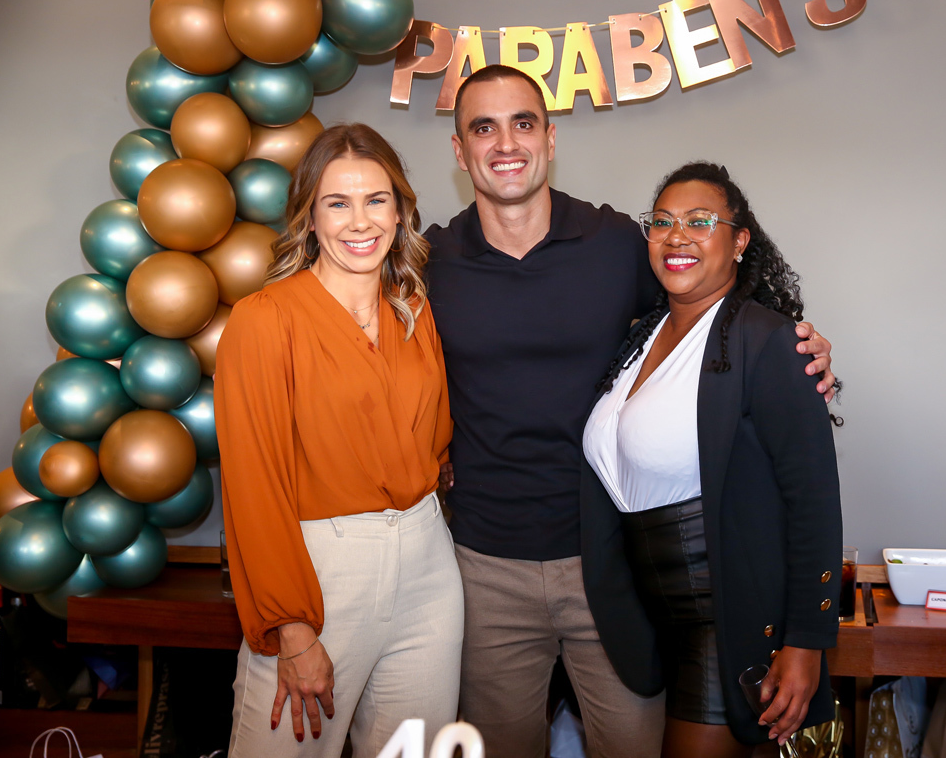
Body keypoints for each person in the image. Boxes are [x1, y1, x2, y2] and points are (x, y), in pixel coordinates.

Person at [423, 65, 839, 758]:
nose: (506, 143)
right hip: (484, 563)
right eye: (483, 128)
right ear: (460, 151)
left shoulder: (616, 242)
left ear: (550, 139)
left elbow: (709, 306)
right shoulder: (429, 261)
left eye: (523, 123)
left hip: (611, 562)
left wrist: (798, 344)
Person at [215, 123, 460, 758]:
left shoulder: (413, 309)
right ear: (310, 217)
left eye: (376, 200)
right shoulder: (264, 320)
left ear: (400, 211)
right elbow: (253, 485)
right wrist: (291, 627)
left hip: (428, 564)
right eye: (337, 203)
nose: (360, 221)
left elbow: (435, 441)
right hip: (321, 571)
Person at [582, 161, 842, 758]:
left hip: (724, 621)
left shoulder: (767, 340)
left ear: (739, 240)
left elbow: (813, 502)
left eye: (700, 222)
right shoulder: (641, 337)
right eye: (662, 222)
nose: (677, 236)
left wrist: (807, 641)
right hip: (649, 627)